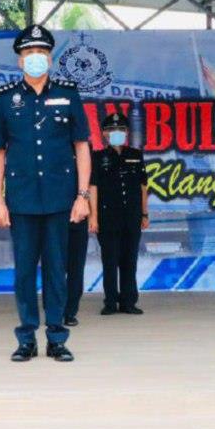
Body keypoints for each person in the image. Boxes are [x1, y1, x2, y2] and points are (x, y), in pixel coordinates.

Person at [0, 24, 91, 363]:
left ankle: (57, 338)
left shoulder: (68, 93)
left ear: (50, 58)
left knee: (56, 270)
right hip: (21, 199)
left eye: (41, 53)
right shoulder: (5, 97)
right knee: (23, 272)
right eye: (29, 53)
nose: (35, 59)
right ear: (20, 61)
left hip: (61, 197)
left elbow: (82, 147)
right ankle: (27, 338)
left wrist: (82, 196)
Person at [88, 112, 149, 315]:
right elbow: (93, 188)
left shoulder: (135, 155)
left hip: (131, 215)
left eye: (121, 130)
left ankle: (129, 302)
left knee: (129, 260)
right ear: (104, 133)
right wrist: (93, 217)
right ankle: (110, 302)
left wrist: (144, 214)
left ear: (127, 133)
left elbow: (143, 186)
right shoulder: (98, 157)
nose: (117, 133)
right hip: (107, 217)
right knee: (110, 260)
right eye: (112, 130)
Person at [64, 220, 88, 326]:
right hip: (52, 219)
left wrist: (93, 218)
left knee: (76, 268)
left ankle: (70, 312)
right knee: (53, 269)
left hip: (78, 220)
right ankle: (53, 311)